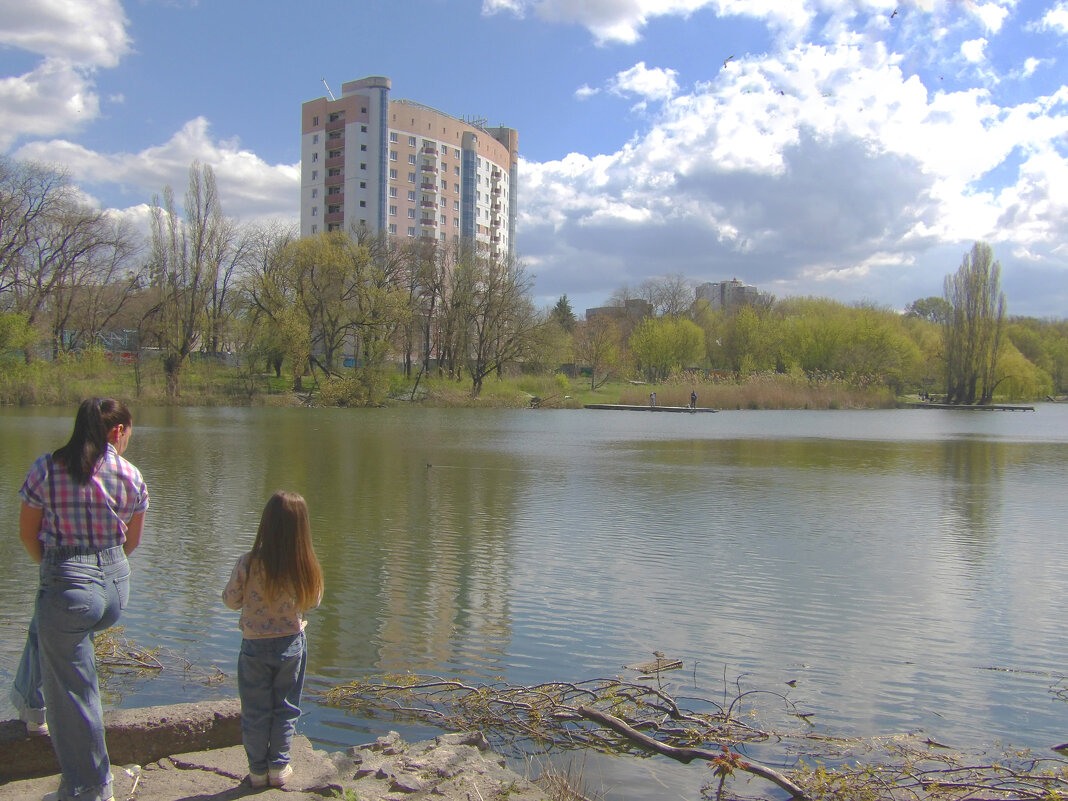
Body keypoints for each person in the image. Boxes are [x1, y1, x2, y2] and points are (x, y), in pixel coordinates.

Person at [11, 398, 149, 801]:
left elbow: (26, 534)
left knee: (75, 692)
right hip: (114, 588)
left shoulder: (47, 468)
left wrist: (58, 574)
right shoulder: (131, 474)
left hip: (69, 582)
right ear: (116, 432)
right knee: (48, 620)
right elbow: (132, 541)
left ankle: (90, 787)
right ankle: (31, 705)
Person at [223, 491, 324, 789]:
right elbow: (314, 600)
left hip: (254, 645)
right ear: (302, 528)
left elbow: (230, 600)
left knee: (255, 709)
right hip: (291, 645)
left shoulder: (248, 562)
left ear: (265, 523)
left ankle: (256, 770)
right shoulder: (304, 564)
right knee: (286, 706)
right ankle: (279, 767)